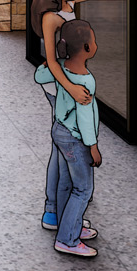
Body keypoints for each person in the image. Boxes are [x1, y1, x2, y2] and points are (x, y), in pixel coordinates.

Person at [32, 0, 137, 231]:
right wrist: (72, 89)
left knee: (59, 148)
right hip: (60, 87)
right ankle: (55, 211)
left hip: (68, 82)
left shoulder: (69, 2)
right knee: (64, 147)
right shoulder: (50, 17)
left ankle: (57, 212)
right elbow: (52, 62)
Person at [34, 19, 103, 258]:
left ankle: (67, 225)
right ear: (86, 48)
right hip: (76, 139)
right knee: (82, 189)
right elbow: (85, 119)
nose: (95, 43)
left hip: (59, 132)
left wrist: (52, 61)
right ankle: (68, 239)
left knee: (65, 183)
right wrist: (93, 147)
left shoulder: (60, 68)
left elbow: (40, 75)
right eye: (93, 40)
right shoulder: (85, 80)